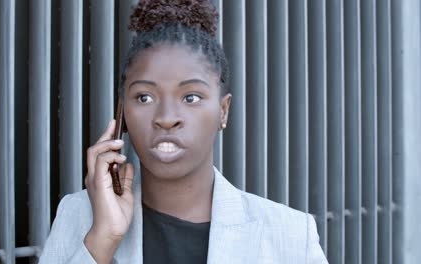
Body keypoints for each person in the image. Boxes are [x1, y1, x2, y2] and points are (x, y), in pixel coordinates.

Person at [39, 0, 328, 263]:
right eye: (144, 97)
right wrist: (102, 239)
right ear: (122, 113)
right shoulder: (78, 215)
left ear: (223, 111)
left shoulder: (291, 236)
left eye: (190, 97)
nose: (166, 118)